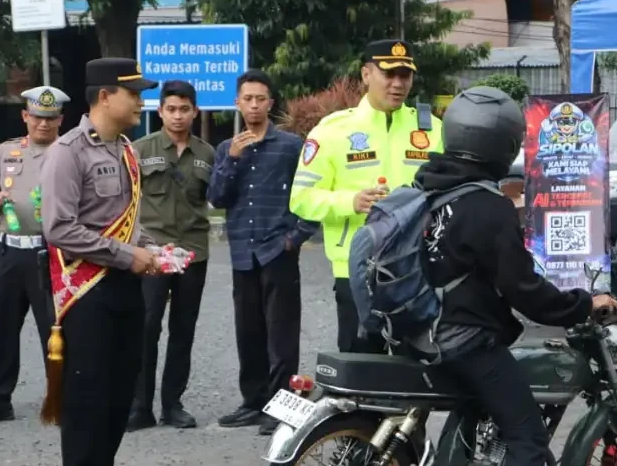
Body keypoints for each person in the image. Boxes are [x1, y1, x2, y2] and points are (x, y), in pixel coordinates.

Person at [408, 86, 617, 466]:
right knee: (528, 442)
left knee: (479, 403)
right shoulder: (488, 206)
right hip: (463, 340)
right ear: (503, 143)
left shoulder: (426, 190)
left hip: (414, 331)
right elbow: (524, 291)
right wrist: (582, 304)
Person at [40, 58, 164, 466]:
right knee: (89, 404)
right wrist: (127, 255)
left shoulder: (126, 149)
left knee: (117, 401)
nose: (141, 103)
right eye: (134, 94)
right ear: (106, 96)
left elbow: (126, 222)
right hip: (87, 293)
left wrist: (152, 248)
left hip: (125, 287)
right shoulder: (68, 152)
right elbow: (60, 228)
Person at [289, 39, 443, 353]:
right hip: (356, 271)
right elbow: (301, 198)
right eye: (389, 74)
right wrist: (351, 202)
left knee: (416, 364)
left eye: (405, 75)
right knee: (360, 365)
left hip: (417, 270)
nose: (398, 83)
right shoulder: (332, 130)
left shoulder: (434, 130)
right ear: (366, 74)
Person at [208, 69, 318, 436]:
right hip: (243, 252)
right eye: (247, 99)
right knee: (248, 331)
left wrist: (295, 238)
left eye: (260, 99)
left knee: (281, 334)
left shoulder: (290, 146)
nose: (254, 105)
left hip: (278, 250)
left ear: (270, 103)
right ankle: (253, 402)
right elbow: (216, 198)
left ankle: (281, 406)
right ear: (237, 104)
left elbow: (311, 192)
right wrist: (232, 159)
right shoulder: (227, 148)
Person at [127, 80, 216, 432]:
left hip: (193, 252)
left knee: (183, 329)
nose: (178, 116)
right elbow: (126, 199)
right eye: (171, 109)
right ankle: (139, 406)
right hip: (152, 252)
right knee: (146, 326)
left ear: (195, 111)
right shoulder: (139, 149)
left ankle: (172, 404)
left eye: (184, 109)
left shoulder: (207, 154)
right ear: (160, 111)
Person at [0, 86, 67, 424]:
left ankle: (59, 399)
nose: (43, 124)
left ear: (60, 119)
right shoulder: (6, 151)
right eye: (37, 117)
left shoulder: (68, 153)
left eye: (50, 118)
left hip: (49, 253)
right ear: (25, 116)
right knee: (3, 328)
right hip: (9, 251)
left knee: (54, 330)